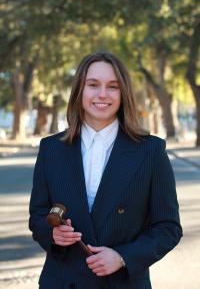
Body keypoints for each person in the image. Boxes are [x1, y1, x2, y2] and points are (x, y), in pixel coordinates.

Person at [29, 52, 182, 289]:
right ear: (80, 90)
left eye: (113, 86)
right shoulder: (51, 149)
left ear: (124, 94)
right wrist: (53, 236)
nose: (102, 94)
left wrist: (123, 257)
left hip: (122, 283)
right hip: (61, 281)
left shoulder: (151, 151)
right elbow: (38, 217)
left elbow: (168, 228)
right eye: (93, 85)